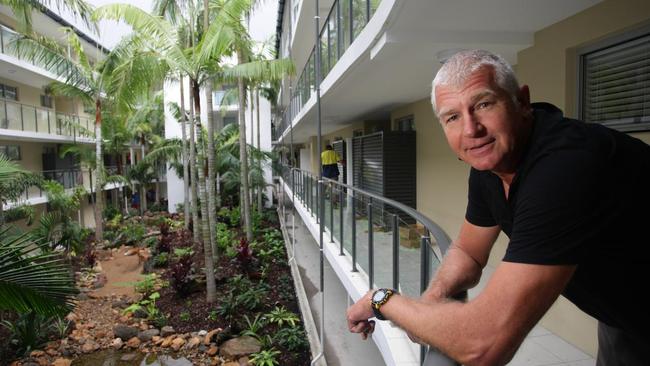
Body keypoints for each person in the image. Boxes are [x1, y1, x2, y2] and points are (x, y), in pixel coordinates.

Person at [346, 49, 650, 365]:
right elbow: (468, 251)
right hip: (623, 318)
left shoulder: (566, 165)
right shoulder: (488, 168)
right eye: (452, 117)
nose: (471, 129)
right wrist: (433, 298)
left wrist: (380, 300)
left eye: (483, 104)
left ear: (522, 102)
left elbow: (483, 344)